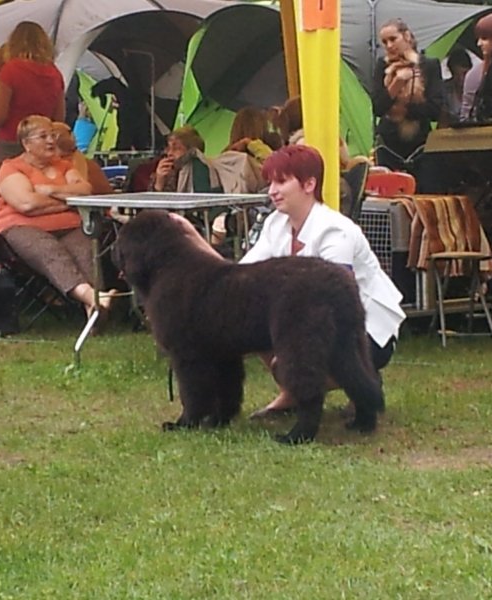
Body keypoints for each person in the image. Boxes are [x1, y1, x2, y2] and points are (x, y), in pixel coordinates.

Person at [240, 145, 406, 417]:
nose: (271, 191)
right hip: (314, 320)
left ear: (309, 185)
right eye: (270, 182)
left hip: (363, 330)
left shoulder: (335, 231)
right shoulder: (275, 224)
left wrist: (293, 347)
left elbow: (336, 306)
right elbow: (243, 276)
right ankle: (291, 392)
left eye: (281, 182)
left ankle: (362, 379)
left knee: (298, 353)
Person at [0, 115, 111, 317]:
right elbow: (27, 204)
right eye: (43, 136)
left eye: (52, 135)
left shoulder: (63, 165)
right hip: (22, 228)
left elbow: (85, 190)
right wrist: (68, 201)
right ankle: (92, 297)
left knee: (86, 251)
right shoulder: (12, 168)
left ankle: (93, 310)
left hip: (69, 225)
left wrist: (50, 190)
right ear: (26, 144)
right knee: (51, 251)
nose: (51, 141)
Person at [0, 22, 65, 162]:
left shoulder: (10, 70)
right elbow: (59, 119)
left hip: (12, 142)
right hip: (42, 143)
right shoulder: (55, 73)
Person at [372, 19, 443, 179]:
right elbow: (378, 108)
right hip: (388, 146)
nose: (389, 45)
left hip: (421, 147)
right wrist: (397, 82)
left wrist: (403, 108)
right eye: (384, 42)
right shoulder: (381, 66)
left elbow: (435, 110)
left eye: (393, 39)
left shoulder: (429, 65)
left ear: (407, 36)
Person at [150, 125, 219, 193]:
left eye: (177, 148)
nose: (169, 153)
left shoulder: (199, 168)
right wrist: (159, 182)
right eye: (169, 148)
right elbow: (152, 199)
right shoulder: (166, 172)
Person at [441, 46, 473, 127]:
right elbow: (443, 119)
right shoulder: (445, 89)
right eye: (456, 75)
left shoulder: (476, 87)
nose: (461, 79)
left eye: (464, 74)